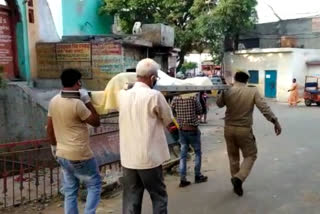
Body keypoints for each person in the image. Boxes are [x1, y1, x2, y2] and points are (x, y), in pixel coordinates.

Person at [118, 58, 173, 214]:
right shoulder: (154, 95)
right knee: (159, 196)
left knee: (131, 198)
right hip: (149, 158)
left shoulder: (122, 95)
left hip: (129, 158)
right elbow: (168, 119)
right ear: (153, 78)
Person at [216, 70, 282, 197]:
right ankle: (239, 178)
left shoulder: (228, 90)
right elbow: (264, 108)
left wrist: (222, 91)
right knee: (251, 155)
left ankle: (236, 181)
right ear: (247, 80)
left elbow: (219, 104)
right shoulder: (252, 91)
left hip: (228, 129)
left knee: (233, 157)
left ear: (235, 78)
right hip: (244, 130)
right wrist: (275, 121)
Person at [47, 68, 101, 214]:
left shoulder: (54, 101)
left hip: (62, 154)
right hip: (80, 155)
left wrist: (53, 146)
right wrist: (87, 101)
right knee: (94, 184)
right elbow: (96, 122)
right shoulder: (77, 104)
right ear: (78, 82)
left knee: (70, 190)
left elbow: (50, 129)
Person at [171, 93, 208, 188]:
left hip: (182, 130)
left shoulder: (175, 99)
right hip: (193, 130)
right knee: (197, 152)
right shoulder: (193, 98)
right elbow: (200, 111)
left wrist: (179, 117)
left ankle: (182, 179)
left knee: (183, 155)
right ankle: (197, 175)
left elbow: (171, 111)